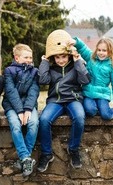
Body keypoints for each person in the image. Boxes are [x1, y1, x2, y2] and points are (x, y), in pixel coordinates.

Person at [37, 29, 91, 173]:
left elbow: (85, 80)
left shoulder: (76, 65)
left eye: (64, 57)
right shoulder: (50, 66)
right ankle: (47, 153)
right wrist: (44, 62)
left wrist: (77, 60)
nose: (61, 60)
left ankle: (73, 149)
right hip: (55, 100)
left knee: (79, 117)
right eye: (57, 57)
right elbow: (42, 80)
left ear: (68, 55)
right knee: (44, 120)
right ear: (53, 58)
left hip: (73, 99)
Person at [71, 37, 113, 121]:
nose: (101, 53)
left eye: (104, 50)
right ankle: (96, 108)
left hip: (102, 95)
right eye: (99, 50)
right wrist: (76, 42)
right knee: (90, 111)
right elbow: (82, 48)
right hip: (88, 93)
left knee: (106, 115)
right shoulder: (91, 57)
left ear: (110, 51)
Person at [2, 43, 40, 177]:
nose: (29, 60)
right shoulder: (9, 71)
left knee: (34, 124)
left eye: (30, 57)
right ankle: (26, 157)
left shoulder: (34, 72)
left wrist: (28, 109)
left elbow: (34, 90)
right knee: (15, 125)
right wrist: (19, 111)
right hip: (12, 105)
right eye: (26, 57)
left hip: (29, 105)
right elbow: (11, 92)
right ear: (17, 58)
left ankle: (25, 158)